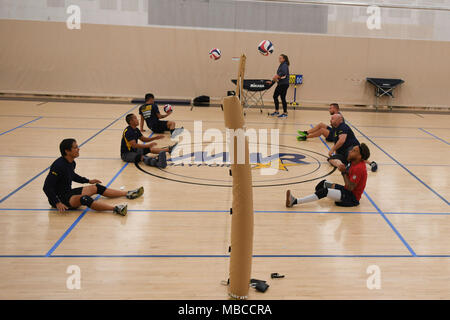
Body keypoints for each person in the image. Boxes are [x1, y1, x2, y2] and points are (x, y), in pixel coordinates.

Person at [43, 139, 144, 215]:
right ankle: (116, 209)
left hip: (67, 192)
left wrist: (88, 181)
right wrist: (57, 203)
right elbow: (46, 187)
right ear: (67, 151)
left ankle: (128, 193)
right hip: (60, 199)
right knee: (85, 199)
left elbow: (72, 175)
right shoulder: (58, 165)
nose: (78, 149)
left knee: (97, 187)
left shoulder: (71, 162)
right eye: (75, 147)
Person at [286, 143, 370, 208]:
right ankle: (317, 196)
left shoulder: (359, 168)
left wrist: (343, 172)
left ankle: (295, 201)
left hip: (351, 198)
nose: (350, 151)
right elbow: (349, 180)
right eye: (352, 149)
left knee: (325, 191)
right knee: (323, 184)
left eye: (354, 151)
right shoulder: (354, 162)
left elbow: (350, 187)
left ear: (360, 156)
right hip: (347, 191)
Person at [297, 106, 378, 172]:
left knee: (350, 154)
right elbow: (337, 141)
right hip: (343, 150)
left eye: (332, 119)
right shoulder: (335, 127)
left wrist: (332, 149)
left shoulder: (343, 126)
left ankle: (371, 163)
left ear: (339, 120)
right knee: (330, 159)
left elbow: (342, 140)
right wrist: (336, 152)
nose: (330, 120)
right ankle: (342, 166)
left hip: (352, 147)